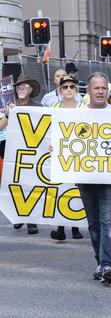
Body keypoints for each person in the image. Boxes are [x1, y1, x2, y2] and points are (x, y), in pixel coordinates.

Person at [76, 72, 111, 284]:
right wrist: (58, 146)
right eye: (97, 88)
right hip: (85, 177)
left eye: (104, 88)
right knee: (94, 224)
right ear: (89, 90)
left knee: (107, 221)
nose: (101, 92)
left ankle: (108, 264)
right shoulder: (77, 114)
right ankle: (100, 262)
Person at [0, 74, 43, 235]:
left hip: (33, 151)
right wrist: (7, 115)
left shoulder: (39, 107)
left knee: (31, 185)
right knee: (15, 186)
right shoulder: (8, 106)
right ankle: (19, 215)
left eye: (24, 86)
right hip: (11, 151)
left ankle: (31, 221)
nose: (21, 89)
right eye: (18, 87)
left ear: (31, 89)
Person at [49, 75, 85, 241]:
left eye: (72, 86)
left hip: (79, 154)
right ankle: (61, 227)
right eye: (65, 87)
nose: (69, 89)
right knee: (61, 189)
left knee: (76, 189)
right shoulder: (54, 106)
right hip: (60, 154)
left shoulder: (84, 108)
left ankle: (75, 226)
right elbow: (46, 128)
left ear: (76, 89)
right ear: (60, 90)